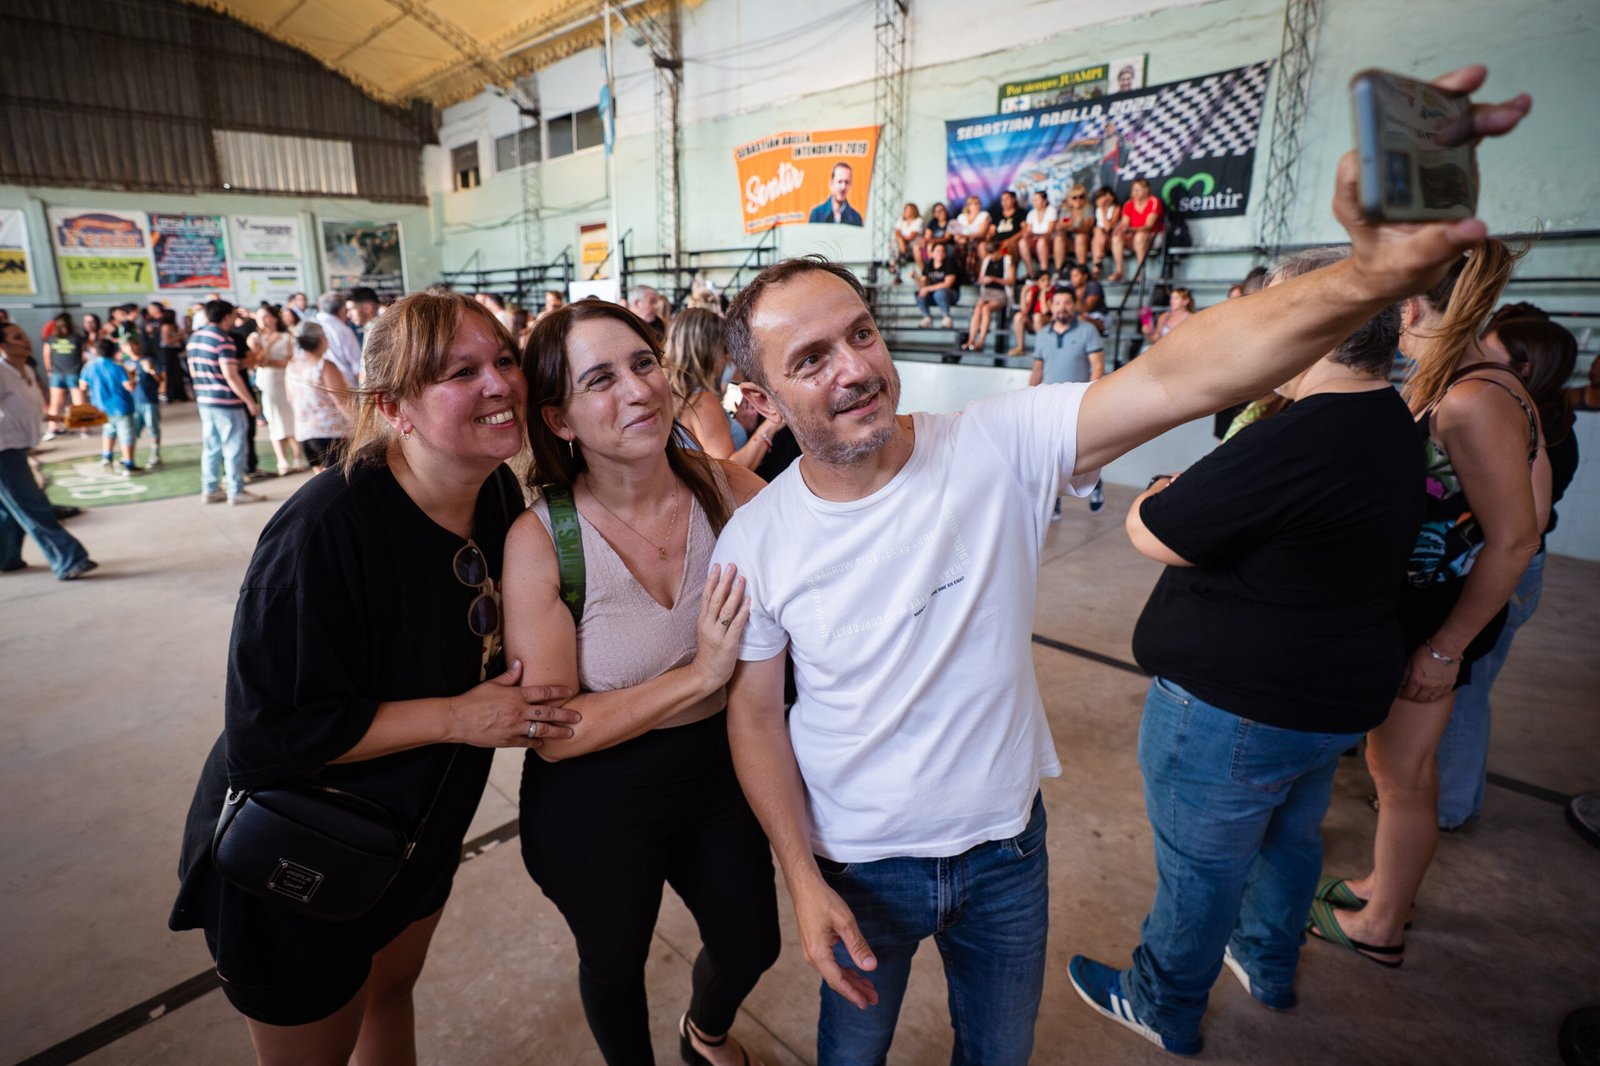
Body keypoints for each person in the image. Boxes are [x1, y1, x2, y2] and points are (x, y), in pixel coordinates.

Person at [707, 65, 1528, 1064]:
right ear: (759, 398)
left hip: (1006, 852)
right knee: (853, 1051)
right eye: (810, 360)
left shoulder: (994, 444)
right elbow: (756, 717)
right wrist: (799, 876)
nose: (854, 368)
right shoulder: (757, 539)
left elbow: (1180, 373)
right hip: (857, 863)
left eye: (862, 334)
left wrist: (1367, 278)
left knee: (997, 1053)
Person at [169, 288, 579, 1066]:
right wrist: (457, 718)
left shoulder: (493, 489)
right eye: (461, 372)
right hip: (302, 855)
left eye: (503, 359)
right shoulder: (323, 530)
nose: (500, 383)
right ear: (394, 407)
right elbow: (267, 738)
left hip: (418, 836)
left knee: (390, 995)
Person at [1067, 248, 1424, 1056]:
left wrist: (1154, 497)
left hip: (1236, 711)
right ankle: (1267, 960)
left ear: (1309, 326)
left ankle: (1162, 1003)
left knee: (1202, 870)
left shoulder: (1300, 435)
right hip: (1332, 698)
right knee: (1290, 841)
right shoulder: (1390, 418)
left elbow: (1158, 530)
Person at [503, 299, 780, 1066]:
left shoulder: (725, 490)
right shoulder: (542, 539)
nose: (638, 389)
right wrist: (701, 675)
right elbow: (555, 734)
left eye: (643, 363)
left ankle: (704, 1031)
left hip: (719, 771)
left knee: (751, 943)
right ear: (558, 420)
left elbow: (838, 534)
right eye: (600, 379)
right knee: (615, 962)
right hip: (595, 797)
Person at [1309, 236, 1550, 967]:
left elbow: (1518, 538)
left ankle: (1382, 925)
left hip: (1433, 619)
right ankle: (1387, 887)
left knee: (1401, 775)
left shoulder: (1472, 399)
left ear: (1412, 307)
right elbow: (1528, 504)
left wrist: (1446, 648)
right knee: (1400, 770)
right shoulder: (1479, 380)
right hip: (1430, 607)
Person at [1433, 313, 1578, 829]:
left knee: (1462, 687)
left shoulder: (1515, 421)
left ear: (1522, 366)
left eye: (1487, 348)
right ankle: (1459, 798)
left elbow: (1519, 532)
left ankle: (1447, 805)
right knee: (1471, 686)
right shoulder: (1547, 419)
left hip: (1509, 568)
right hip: (1521, 567)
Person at [0, 319, 95, 580]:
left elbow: (27, 408)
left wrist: (59, 418)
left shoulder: (26, 370)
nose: (25, 341)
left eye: (23, 335)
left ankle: (6, 558)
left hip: (18, 446)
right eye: (16, 338)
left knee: (10, 510)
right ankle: (69, 559)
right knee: (32, 506)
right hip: (4, 451)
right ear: (2, 346)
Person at [666, 307, 785, 470]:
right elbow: (727, 470)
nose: (727, 358)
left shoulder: (676, 396)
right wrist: (771, 424)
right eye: (724, 350)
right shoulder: (703, 401)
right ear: (710, 352)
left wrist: (738, 426)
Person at [1028, 287, 1105, 515]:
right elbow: (1037, 369)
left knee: (1081, 454)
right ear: (1051, 307)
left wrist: (1090, 397)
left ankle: (1096, 486)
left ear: (1074, 306)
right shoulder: (1043, 334)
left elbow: (1097, 366)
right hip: (1047, 404)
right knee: (1048, 456)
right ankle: (1054, 503)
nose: (1062, 307)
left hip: (1077, 404)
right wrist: (1028, 397)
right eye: (1057, 303)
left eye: (1067, 302)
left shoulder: (1088, 331)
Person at [188, 299, 264, 505]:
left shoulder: (195, 337)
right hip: (226, 402)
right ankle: (235, 490)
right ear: (226, 317)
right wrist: (250, 401)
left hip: (205, 399)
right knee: (234, 446)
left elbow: (195, 370)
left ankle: (210, 489)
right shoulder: (223, 340)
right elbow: (230, 375)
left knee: (211, 446)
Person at [286, 321, 355, 473]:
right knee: (341, 479)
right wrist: (360, 425)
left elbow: (291, 399)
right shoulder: (324, 366)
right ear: (320, 340)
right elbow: (341, 401)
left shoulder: (292, 366)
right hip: (331, 433)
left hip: (305, 433)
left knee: (322, 479)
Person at [248, 304, 304, 475]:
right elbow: (258, 362)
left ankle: (297, 457)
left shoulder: (287, 336)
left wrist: (273, 362)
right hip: (269, 382)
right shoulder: (255, 338)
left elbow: (293, 360)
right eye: (259, 317)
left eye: (266, 316)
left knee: (292, 417)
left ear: (274, 318)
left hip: (288, 379)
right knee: (275, 420)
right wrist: (270, 344)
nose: (263, 320)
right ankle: (282, 460)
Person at [83, 338, 141, 477]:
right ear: (114, 351)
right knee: (126, 435)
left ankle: (107, 457)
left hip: (101, 407)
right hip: (121, 406)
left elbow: (82, 385)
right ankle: (128, 463)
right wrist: (133, 377)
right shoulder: (118, 367)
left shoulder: (89, 367)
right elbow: (129, 386)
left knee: (108, 431)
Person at [41, 313, 88, 439]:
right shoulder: (77, 337)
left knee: (56, 403)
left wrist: (49, 370)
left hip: (58, 373)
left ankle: (52, 428)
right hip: (73, 372)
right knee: (78, 402)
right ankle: (83, 428)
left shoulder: (52, 338)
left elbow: (46, 355)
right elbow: (84, 355)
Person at [962, 238, 1014, 352]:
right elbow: (980, 279)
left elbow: (1011, 281)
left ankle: (981, 341)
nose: (992, 256)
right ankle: (971, 340)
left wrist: (994, 279)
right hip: (987, 292)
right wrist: (984, 280)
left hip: (1001, 293)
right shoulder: (987, 260)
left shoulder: (1007, 260)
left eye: (994, 253)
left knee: (986, 309)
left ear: (999, 250)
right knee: (978, 308)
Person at [1111, 178, 1164, 281]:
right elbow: (1125, 223)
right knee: (1117, 237)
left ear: (1146, 190)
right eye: (1133, 189)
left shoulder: (1154, 201)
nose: (1135, 192)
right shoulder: (1128, 204)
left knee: (1140, 236)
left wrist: (1130, 230)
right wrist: (1122, 230)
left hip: (1153, 237)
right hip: (1134, 237)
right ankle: (1119, 271)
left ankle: (1141, 272)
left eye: (1138, 189)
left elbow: (1148, 226)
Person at [127, 332, 165, 469]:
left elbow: (161, 380)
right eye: (128, 346)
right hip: (133, 402)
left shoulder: (149, 360)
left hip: (149, 400)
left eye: (134, 345)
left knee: (152, 428)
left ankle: (155, 455)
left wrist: (152, 370)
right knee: (132, 430)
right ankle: (129, 457)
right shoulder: (126, 364)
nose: (131, 348)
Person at [315, 291, 364, 387]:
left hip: (319, 384)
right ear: (341, 310)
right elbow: (356, 363)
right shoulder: (342, 330)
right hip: (345, 384)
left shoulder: (311, 324)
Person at [913, 241, 960, 330]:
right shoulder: (928, 265)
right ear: (932, 254)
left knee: (939, 293)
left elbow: (947, 284)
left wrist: (927, 289)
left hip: (951, 294)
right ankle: (927, 318)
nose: (940, 253)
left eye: (942, 251)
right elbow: (923, 285)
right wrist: (915, 278)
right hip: (933, 295)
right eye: (938, 251)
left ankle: (947, 317)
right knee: (919, 293)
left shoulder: (950, 264)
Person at [1055, 183, 1095, 276]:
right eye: (1074, 197)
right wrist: (1070, 225)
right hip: (1069, 239)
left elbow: (1087, 227)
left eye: (1081, 197)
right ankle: (1058, 270)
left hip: (1084, 239)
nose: (1078, 200)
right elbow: (1060, 225)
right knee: (1058, 239)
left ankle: (1082, 268)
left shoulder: (1087, 208)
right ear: (1070, 199)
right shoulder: (1066, 210)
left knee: (1080, 237)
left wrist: (1072, 226)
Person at [1018, 190, 1058, 278]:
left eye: (1037, 199)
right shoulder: (1031, 213)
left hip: (1049, 240)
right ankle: (1030, 272)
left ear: (1044, 201)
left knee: (1041, 242)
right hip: (1035, 239)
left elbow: (1050, 231)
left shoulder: (1051, 211)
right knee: (1022, 242)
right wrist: (1025, 230)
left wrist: (1036, 235)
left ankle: (1044, 271)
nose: (1034, 202)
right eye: (1033, 200)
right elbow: (1029, 231)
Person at [158, 308, 190, 402]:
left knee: (177, 373)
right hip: (168, 352)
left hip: (174, 351)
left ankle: (179, 394)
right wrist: (179, 337)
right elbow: (167, 341)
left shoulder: (173, 326)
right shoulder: (166, 326)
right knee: (171, 374)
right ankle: (171, 394)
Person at [1089, 187, 1120, 279]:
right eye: (1104, 196)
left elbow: (1108, 227)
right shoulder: (1096, 209)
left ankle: (1096, 265)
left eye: (1109, 195)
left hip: (1111, 238)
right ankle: (1097, 264)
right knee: (1098, 235)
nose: (1107, 198)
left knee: (1099, 233)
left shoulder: (1116, 208)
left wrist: (1102, 209)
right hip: (1099, 239)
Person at [988, 189, 1027, 261]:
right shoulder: (997, 215)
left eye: (1007, 199)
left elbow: (1024, 230)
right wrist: (988, 238)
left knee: (1009, 245)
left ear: (1013, 200)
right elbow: (991, 231)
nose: (1004, 202)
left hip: (1013, 241)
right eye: (1002, 200)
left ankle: (1012, 266)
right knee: (986, 246)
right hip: (998, 241)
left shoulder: (1021, 213)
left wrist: (1010, 240)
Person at [890, 203, 923, 282]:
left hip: (912, 246)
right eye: (906, 210)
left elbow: (911, 237)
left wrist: (900, 240)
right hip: (901, 247)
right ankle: (895, 267)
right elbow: (897, 232)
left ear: (914, 211)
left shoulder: (919, 221)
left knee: (895, 244)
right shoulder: (901, 220)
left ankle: (893, 266)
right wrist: (900, 241)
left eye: (910, 210)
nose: (908, 212)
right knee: (895, 244)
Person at [917, 201, 952, 274]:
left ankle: (933, 270)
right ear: (934, 214)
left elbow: (947, 238)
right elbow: (927, 236)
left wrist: (932, 241)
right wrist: (924, 241)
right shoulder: (933, 222)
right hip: (932, 242)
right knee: (916, 247)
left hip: (945, 243)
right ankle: (924, 271)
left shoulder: (950, 221)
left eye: (942, 210)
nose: (941, 213)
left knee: (930, 246)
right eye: (938, 211)